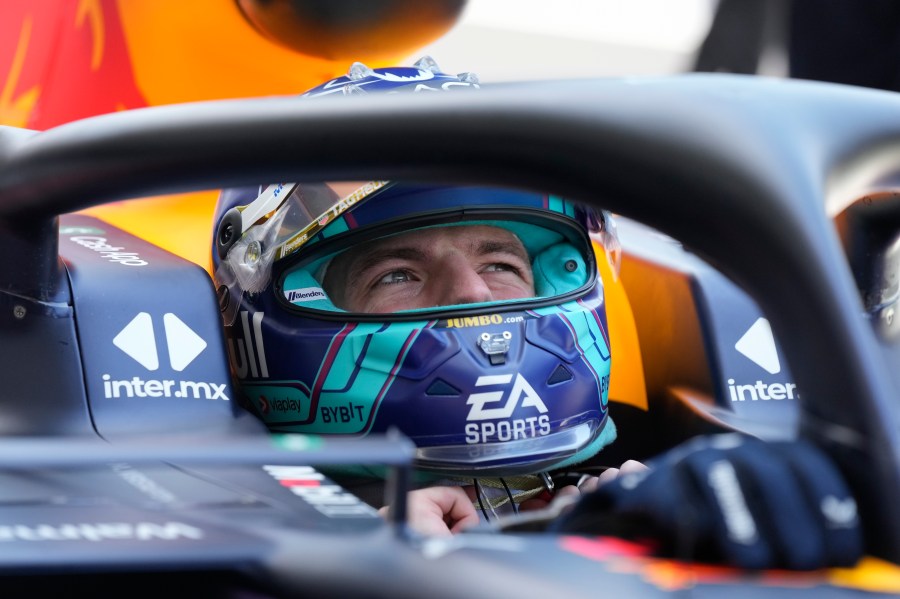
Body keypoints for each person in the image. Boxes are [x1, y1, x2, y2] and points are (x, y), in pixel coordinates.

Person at [211, 60, 864, 568]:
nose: (474, 293)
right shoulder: (215, 511)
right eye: (398, 274)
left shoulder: (672, 463)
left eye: (500, 262)